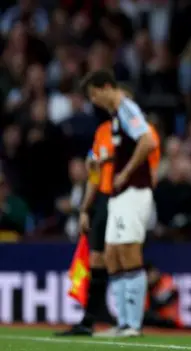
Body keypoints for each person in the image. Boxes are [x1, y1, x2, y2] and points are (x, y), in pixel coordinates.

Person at [56, 87, 161, 337]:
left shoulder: (140, 130)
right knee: (103, 258)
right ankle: (108, 319)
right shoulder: (104, 130)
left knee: (126, 253)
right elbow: (94, 171)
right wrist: (86, 207)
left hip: (130, 194)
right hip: (105, 198)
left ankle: (128, 321)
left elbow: (150, 163)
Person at [80, 70, 158, 337]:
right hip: (119, 194)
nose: (93, 101)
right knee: (112, 254)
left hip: (133, 190)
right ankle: (123, 322)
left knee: (128, 251)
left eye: (93, 94)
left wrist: (125, 173)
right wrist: (104, 164)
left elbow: (147, 141)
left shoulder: (126, 108)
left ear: (105, 88)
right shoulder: (115, 116)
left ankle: (133, 324)